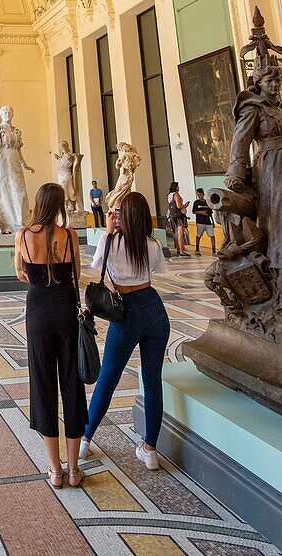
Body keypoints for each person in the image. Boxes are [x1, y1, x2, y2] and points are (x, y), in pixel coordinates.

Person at [80, 192, 170, 470]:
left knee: (108, 379)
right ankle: (150, 450)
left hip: (125, 312)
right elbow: (158, 271)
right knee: (152, 381)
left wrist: (108, 232)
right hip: (153, 310)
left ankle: (85, 439)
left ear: (123, 217)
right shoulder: (152, 244)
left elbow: (97, 266)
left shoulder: (110, 241)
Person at [14, 182, 87, 489]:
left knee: (42, 383)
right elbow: (77, 275)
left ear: (38, 204)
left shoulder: (23, 235)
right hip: (66, 308)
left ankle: (55, 470)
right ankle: (73, 470)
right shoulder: (69, 236)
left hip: (38, 311)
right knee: (71, 382)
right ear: (58, 206)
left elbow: (21, 273)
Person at [167, 182, 190, 257]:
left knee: (176, 234)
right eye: (178, 186)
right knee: (180, 234)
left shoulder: (169, 195)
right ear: (176, 187)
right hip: (178, 216)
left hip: (172, 216)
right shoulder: (176, 195)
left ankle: (178, 249)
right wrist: (185, 205)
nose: (179, 188)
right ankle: (181, 251)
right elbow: (179, 206)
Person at [191, 188, 216, 256]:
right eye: (198, 195)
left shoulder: (207, 202)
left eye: (200, 194)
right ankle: (197, 249)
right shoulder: (196, 202)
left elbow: (210, 213)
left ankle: (214, 251)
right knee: (199, 235)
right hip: (200, 221)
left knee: (212, 236)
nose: (199, 196)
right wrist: (201, 212)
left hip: (208, 221)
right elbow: (194, 211)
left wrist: (213, 222)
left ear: (203, 194)